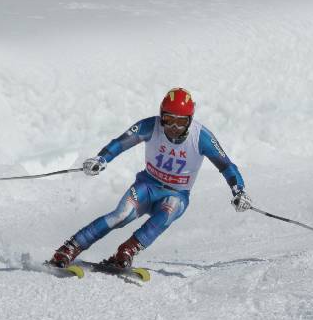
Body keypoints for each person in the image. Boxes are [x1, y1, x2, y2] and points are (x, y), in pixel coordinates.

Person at [49, 87, 251, 270]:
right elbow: (121, 143)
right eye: (168, 119)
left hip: (177, 194)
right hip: (147, 186)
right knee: (121, 215)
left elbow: (226, 166)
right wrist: (101, 159)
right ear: (161, 115)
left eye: (181, 122)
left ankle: (126, 251)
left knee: (167, 213)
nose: (173, 127)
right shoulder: (150, 126)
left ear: (190, 120)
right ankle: (70, 248)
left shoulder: (201, 137)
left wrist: (239, 191)